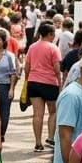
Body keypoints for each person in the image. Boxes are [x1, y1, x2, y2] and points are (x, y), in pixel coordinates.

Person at [25, 22, 63, 152]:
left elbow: (27, 66)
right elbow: (57, 69)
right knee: (53, 112)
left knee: (37, 114)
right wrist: (60, 83)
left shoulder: (32, 47)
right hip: (49, 83)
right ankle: (51, 138)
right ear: (51, 34)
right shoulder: (53, 48)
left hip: (33, 82)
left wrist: (27, 79)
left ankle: (37, 143)